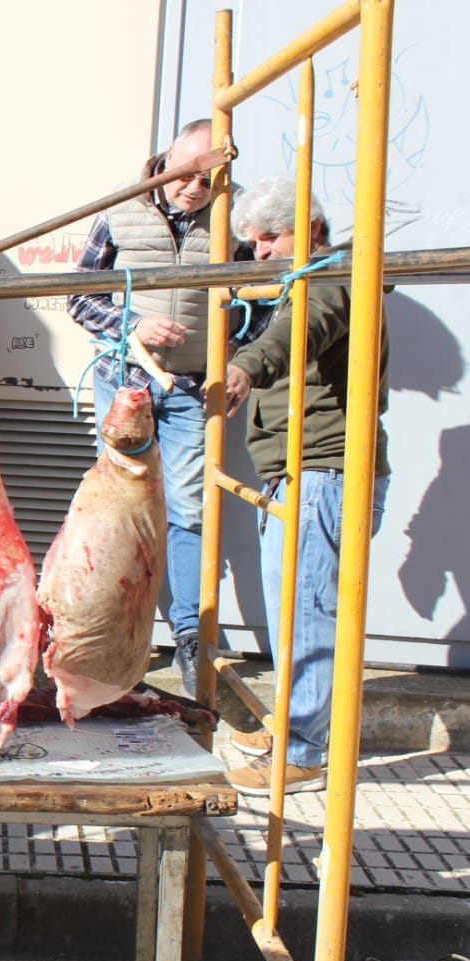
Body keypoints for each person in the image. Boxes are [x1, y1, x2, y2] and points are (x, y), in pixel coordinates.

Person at [222, 177, 387, 796]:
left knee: (310, 612)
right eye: (254, 241)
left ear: (310, 230)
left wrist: (245, 365)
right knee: (295, 609)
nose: (260, 251)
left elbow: (302, 332)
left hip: (324, 470)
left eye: (270, 237)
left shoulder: (334, 275)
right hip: (303, 470)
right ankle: (294, 728)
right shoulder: (303, 279)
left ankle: (303, 752)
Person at [67, 119, 222, 698]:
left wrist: (232, 357)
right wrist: (135, 324)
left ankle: (187, 637)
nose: (193, 189)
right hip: (124, 382)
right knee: (119, 507)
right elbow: (80, 294)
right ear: (166, 162)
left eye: (208, 180)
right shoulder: (122, 212)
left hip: (188, 390)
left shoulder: (228, 219)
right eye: (186, 175)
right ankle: (111, 633)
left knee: (186, 509)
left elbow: (259, 300)